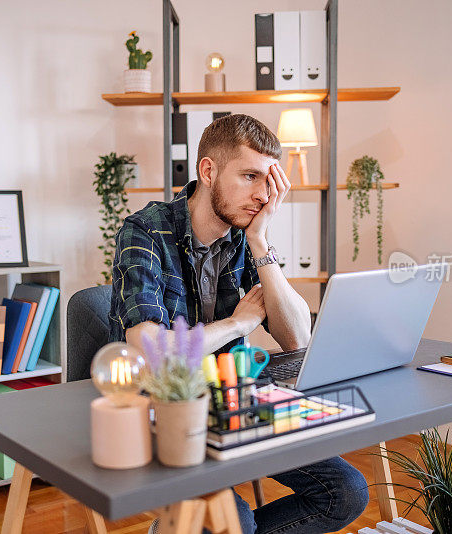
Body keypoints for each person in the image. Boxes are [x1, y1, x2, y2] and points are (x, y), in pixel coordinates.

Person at [109, 114, 368, 533]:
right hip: (162, 410)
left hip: (230, 399)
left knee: (347, 492)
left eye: (269, 181)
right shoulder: (145, 231)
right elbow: (149, 351)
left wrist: (261, 243)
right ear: (207, 171)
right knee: (234, 522)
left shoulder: (244, 235)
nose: (262, 195)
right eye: (249, 176)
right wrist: (237, 323)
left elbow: (298, 335)